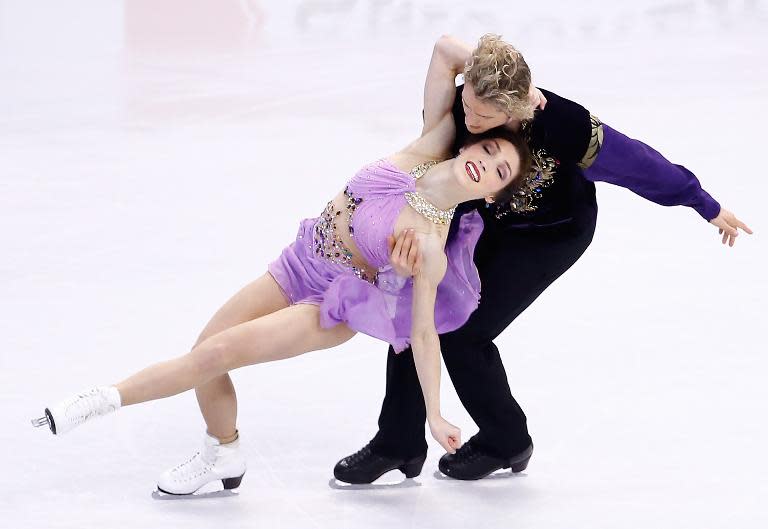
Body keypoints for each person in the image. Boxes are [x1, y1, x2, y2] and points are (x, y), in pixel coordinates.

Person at [30, 71, 535, 494]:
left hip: (333, 302)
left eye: (498, 170)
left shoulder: (429, 245)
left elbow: (424, 337)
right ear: (475, 134)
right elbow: (447, 50)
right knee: (205, 350)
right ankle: (222, 450)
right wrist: (517, 92)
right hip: (299, 262)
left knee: (215, 353)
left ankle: (100, 400)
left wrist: (436, 415)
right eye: (489, 148)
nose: (485, 162)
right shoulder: (430, 143)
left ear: (492, 195)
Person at [332, 34, 753, 484]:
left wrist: (703, 203)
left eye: (484, 114)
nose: (469, 119)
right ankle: (398, 442)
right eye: (468, 105)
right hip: (482, 220)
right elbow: (443, 54)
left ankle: (506, 439)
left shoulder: (565, 125)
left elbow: (637, 163)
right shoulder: (468, 100)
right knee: (414, 309)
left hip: (550, 234)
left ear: (517, 109)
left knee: (464, 333)